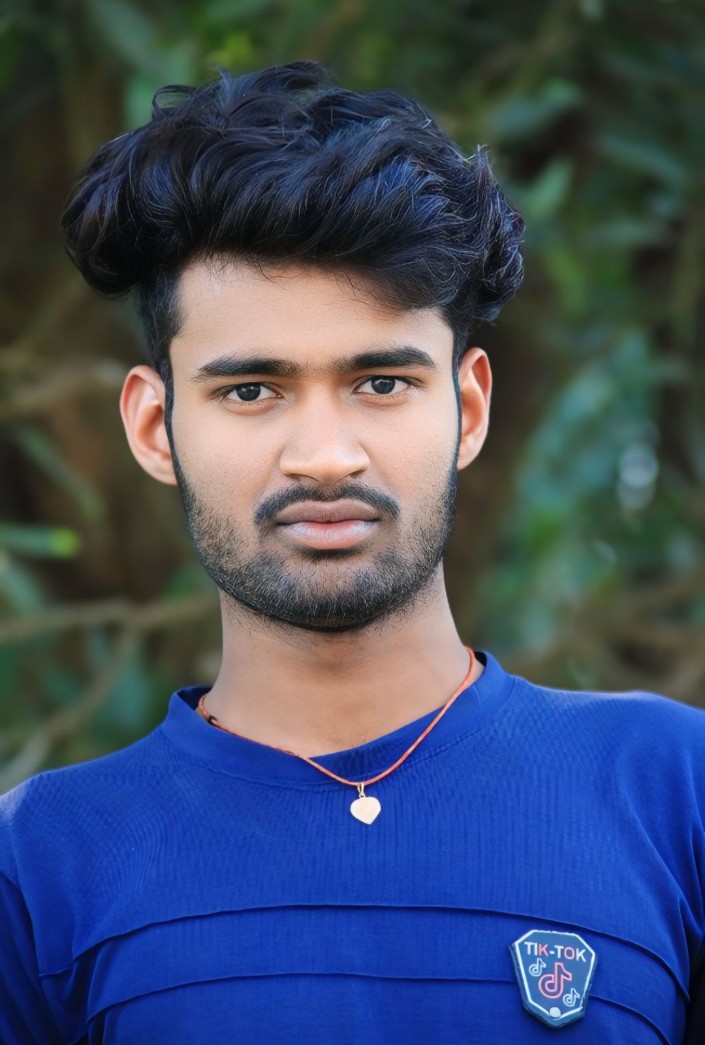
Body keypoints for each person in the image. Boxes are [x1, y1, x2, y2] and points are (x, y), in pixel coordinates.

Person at [0, 60, 702, 1044]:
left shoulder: (674, 791)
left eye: (380, 383)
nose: (326, 456)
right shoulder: (39, 864)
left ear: (467, 407)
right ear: (156, 428)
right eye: (251, 390)